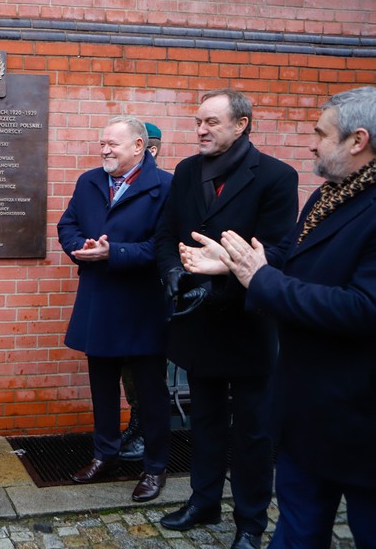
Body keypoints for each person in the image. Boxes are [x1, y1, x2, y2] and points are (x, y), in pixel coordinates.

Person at [180, 86, 376, 548]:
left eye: (319, 133)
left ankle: (249, 521)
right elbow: (291, 261)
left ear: (357, 140)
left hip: (359, 421)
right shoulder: (328, 198)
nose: (310, 142)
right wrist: (233, 266)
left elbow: (362, 308)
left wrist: (257, 277)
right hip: (309, 413)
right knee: (297, 530)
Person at [154, 89, 298, 549]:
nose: (200, 130)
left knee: (252, 432)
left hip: (247, 326)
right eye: (198, 121)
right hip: (197, 324)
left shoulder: (276, 176)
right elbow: (165, 235)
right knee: (206, 421)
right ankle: (203, 501)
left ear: (241, 125)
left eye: (211, 122)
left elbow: (277, 251)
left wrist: (225, 273)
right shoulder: (186, 171)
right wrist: (175, 273)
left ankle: (251, 522)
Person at [58, 116, 173, 503]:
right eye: (102, 143)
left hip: (143, 304)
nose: (104, 150)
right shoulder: (89, 181)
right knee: (102, 387)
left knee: (149, 393)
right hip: (100, 300)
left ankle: (155, 468)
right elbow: (67, 224)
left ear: (139, 147)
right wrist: (81, 246)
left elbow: (165, 247)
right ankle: (104, 455)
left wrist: (116, 252)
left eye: (113, 144)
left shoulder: (166, 186)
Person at [116, 120, 165, 463]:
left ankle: (149, 434)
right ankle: (137, 423)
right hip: (122, 294)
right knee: (127, 368)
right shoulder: (118, 184)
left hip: (151, 295)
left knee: (148, 373)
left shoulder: (163, 187)